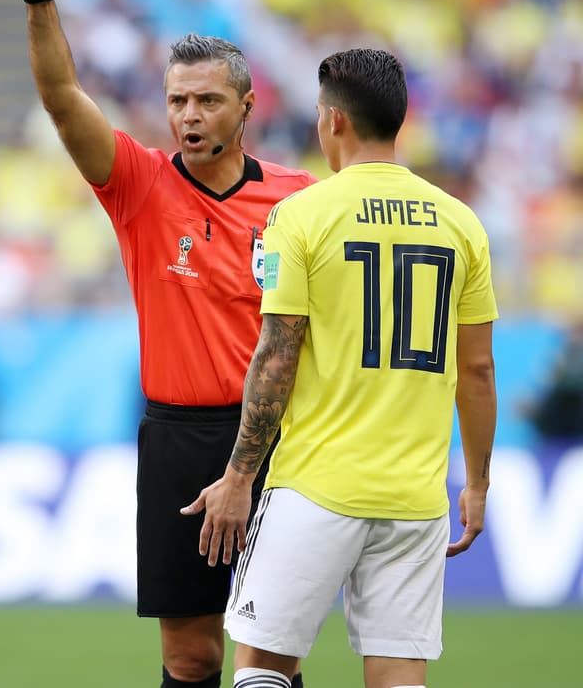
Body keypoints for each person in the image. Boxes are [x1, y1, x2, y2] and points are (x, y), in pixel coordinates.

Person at [11, 0, 315, 688]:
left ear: (246, 107)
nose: (189, 115)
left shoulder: (301, 200)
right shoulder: (139, 186)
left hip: (280, 439)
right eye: (178, 100)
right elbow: (58, 97)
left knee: (269, 652)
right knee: (191, 656)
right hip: (177, 440)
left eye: (208, 101)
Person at [183, 48, 499, 688]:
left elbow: (276, 354)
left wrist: (240, 474)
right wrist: (478, 484)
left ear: (332, 122)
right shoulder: (462, 225)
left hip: (315, 485)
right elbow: (479, 371)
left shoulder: (300, 216)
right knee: (396, 673)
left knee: (261, 667)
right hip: (414, 496)